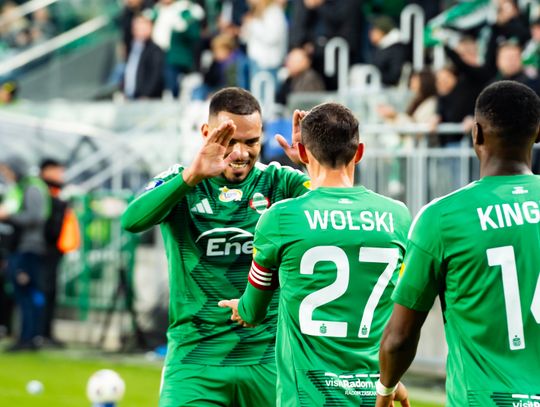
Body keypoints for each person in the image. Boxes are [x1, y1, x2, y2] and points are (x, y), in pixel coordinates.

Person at [121, 87, 311, 406]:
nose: (240, 153)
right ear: (206, 134)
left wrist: (312, 165)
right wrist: (190, 177)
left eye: (251, 142)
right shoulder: (181, 182)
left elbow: (338, 210)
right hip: (196, 359)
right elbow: (131, 220)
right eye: (229, 141)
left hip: (267, 359)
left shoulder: (280, 182)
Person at [219, 102, 412, 406]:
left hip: (308, 396)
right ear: (359, 152)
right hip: (372, 395)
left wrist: (240, 308)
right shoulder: (397, 217)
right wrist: (388, 384)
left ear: (303, 152)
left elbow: (253, 312)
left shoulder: (280, 218)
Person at [376, 81, 540, 406]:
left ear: (476, 134)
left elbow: (400, 337)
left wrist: (385, 389)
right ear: (537, 133)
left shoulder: (442, 218)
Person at [0, 156, 49, 351]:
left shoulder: (32, 187)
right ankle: (25, 337)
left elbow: (35, 217)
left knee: (28, 293)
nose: (6, 175)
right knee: (22, 294)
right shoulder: (21, 188)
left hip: (29, 248)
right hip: (20, 248)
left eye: (7, 170)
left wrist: (9, 216)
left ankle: (30, 338)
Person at [39, 159, 79, 347]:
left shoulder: (57, 192)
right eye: (57, 171)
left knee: (50, 292)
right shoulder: (42, 192)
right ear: (46, 171)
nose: (61, 175)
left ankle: (45, 333)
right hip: (43, 250)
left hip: (54, 250)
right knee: (43, 292)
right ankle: (39, 334)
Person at [123, 13, 165, 100]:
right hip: (131, 97)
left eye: (142, 26)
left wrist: (146, 95)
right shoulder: (133, 47)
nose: (139, 29)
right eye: (137, 27)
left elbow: (155, 76)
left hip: (146, 99)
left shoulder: (155, 50)